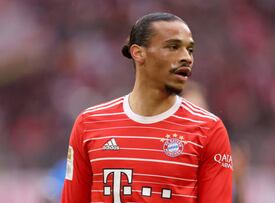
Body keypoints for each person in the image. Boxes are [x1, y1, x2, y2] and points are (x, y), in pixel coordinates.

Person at [61, 12, 232, 203]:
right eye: (173, 47)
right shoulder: (89, 124)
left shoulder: (209, 130)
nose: (187, 58)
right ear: (138, 53)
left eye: (190, 50)